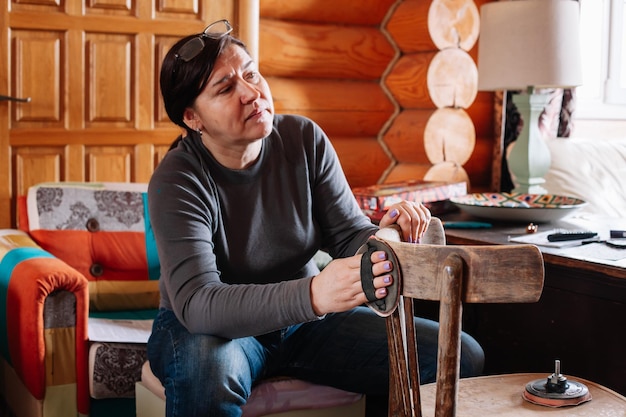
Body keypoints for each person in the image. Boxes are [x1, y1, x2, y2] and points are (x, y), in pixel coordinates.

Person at [147, 19, 484, 417]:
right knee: (207, 368)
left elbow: (348, 235)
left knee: (457, 354)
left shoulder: (303, 140)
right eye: (226, 88)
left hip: (306, 326)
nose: (252, 93)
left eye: (251, 74)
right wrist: (314, 295)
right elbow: (199, 304)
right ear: (193, 119)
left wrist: (389, 236)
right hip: (214, 331)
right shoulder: (177, 179)